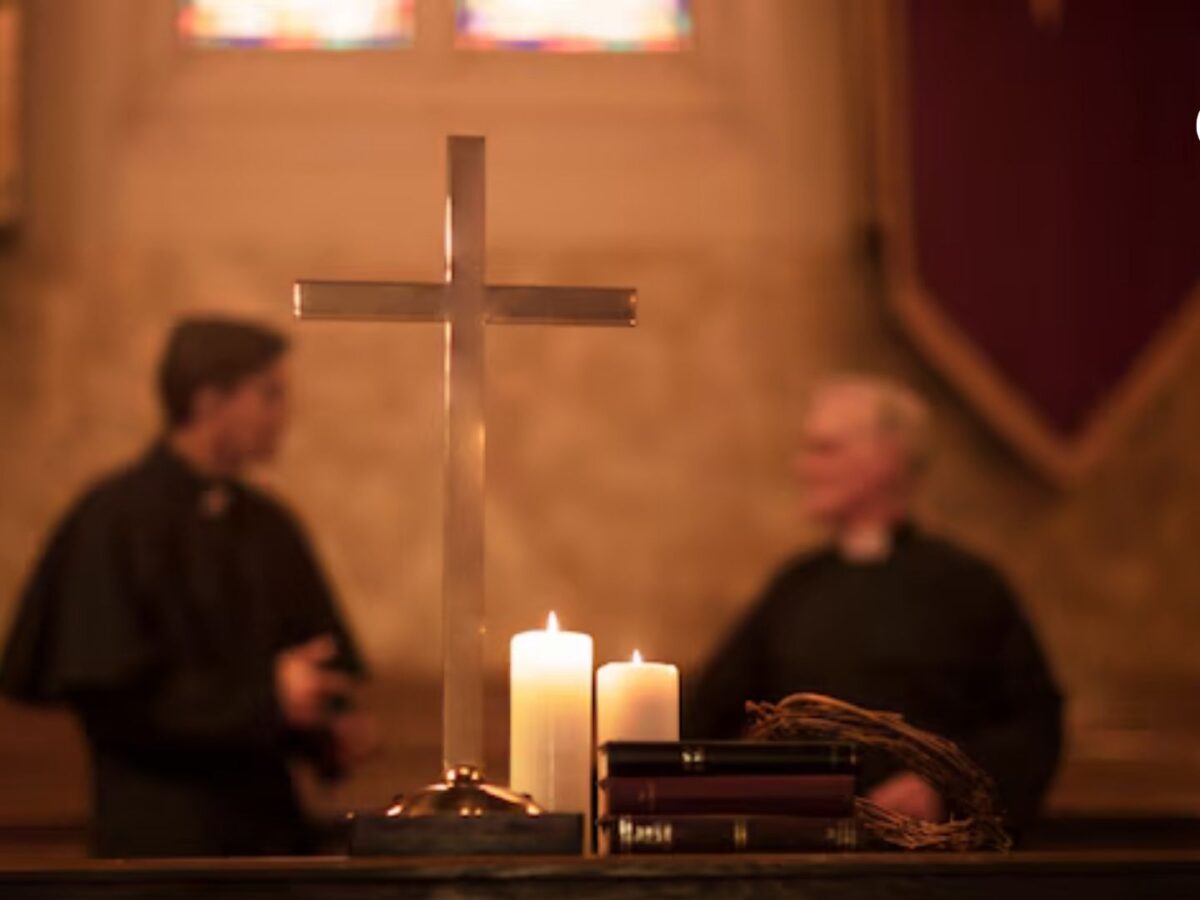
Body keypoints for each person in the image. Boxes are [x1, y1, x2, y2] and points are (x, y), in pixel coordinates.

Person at [0, 317, 375, 857]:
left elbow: (308, 670)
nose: (283, 416)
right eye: (268, 395)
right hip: (161, 849)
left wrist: (329, 732)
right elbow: (116, 703)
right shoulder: (113, 521)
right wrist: (267, 698)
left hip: (270, 843)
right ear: (208, 400)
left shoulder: (269, 524)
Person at [685, 376, 1062, 831]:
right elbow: (710, 712)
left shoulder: (968, 586)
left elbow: (1034, 728)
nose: (802, 467)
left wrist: (941, 787)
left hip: (931, 861)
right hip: (804, 849)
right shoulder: (796, 586)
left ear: (886, 459)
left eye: (823, 448)